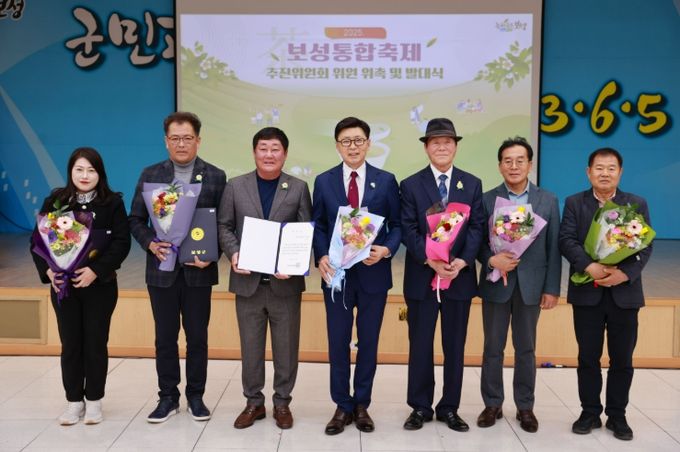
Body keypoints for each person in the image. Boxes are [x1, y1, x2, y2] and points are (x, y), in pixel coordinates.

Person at [129, 111, 226, 423]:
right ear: (166, 141)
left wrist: (214, 253)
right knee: (165, 338)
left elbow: (224, 223)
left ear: (198, 140)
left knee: (197, 337)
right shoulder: (150, 174)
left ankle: (196, 397)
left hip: (199, 271)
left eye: (187, 138)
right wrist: (150, 243)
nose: (181, 144)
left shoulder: (215, 176)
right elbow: (135, 219)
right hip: (161, 271)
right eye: (175, 138)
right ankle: (168, 397)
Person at [217, 127, 312, 430]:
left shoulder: (298, 187)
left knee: (286, 348)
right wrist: (234, 253)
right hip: (248, 284)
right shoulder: (236, 186)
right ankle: (254, 403)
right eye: (263, 148)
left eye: (275, 149)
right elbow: (224, 226)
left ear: (285, 153)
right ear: (254, 152)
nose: (269, 154)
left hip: (285, 285)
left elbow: (305, 231)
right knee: (250, 348)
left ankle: (282, 403)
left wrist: (295, 264)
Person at [312, 117, 402, 435]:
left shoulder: (386, 181)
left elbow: (397, 225)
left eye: (359, 140)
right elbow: (319, 225)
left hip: (373, 274)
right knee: (338, 341)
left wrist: (386, 249)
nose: (353, 147)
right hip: (336, 276)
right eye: (346, 141)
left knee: (368, 341)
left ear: (368, 143)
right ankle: (342, 405)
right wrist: (321, 255)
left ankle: (362, 404)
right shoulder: (324, 181)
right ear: (337, 146)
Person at [30, 147, 131, 425]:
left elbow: (121, 243)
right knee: (71, 343)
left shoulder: (112, 203)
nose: (85, 175)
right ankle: (74, 401)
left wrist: (95, 271)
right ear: (71, 172)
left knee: (95, 342)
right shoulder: (56, 200)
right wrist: (48, 271)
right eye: (79, 169)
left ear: (100, 173)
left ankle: (95, 401)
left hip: (100, 287)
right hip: (64, 288)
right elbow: (37, 241)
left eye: (91, 170)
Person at [559, 147, 652, 441]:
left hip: (625, 294)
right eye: (599, 168)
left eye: (611, 168)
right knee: (588, 357)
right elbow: (566, 239)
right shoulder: (575, 203)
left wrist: (624, 273)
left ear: (620, 172)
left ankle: (617, 415)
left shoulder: (636, 203)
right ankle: (589, 412)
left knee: (622, 358)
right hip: (588, 292)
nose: (605, 173)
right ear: (588, 172)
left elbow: (645, 244)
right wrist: (590, 266)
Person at [400, 118, 484, 432]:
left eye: (447, 141)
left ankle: (449, 407)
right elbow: (408, 228)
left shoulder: (471, 183)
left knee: (455, 345)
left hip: (459, 278)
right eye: (435, 142)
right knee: (420, 344)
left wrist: (462, 261)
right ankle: (420, 407)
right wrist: (430, 260)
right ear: (426, 147)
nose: (442, 147)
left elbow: (477, 227)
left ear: (455, 146)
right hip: (422, 278)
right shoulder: (410, 184)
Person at [476, 137, 561, 433]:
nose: (514, 166)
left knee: (526, 348)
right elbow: (477, 242)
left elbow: (553, 247)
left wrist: (551, 288)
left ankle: (525, 406)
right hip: (496, 285)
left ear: (530, 164)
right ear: (500, 165)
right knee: (492, 347)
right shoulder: (486, 199)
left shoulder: (547, 200)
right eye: (508, 161)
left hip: (531, 286)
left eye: (520, 160)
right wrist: (491, 260)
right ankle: (492, 404)